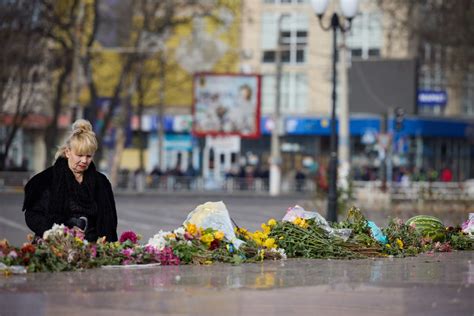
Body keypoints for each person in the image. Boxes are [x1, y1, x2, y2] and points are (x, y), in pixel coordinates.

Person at [22, 119, 118, 242]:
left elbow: (110, 223)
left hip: (93, 251)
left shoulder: (102, 183)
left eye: (89, 156)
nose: (84, 161)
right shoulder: (45, 180)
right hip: (54, 248)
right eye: (80, 155)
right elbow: (33, 216)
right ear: (68, 152)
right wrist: (61, 233)